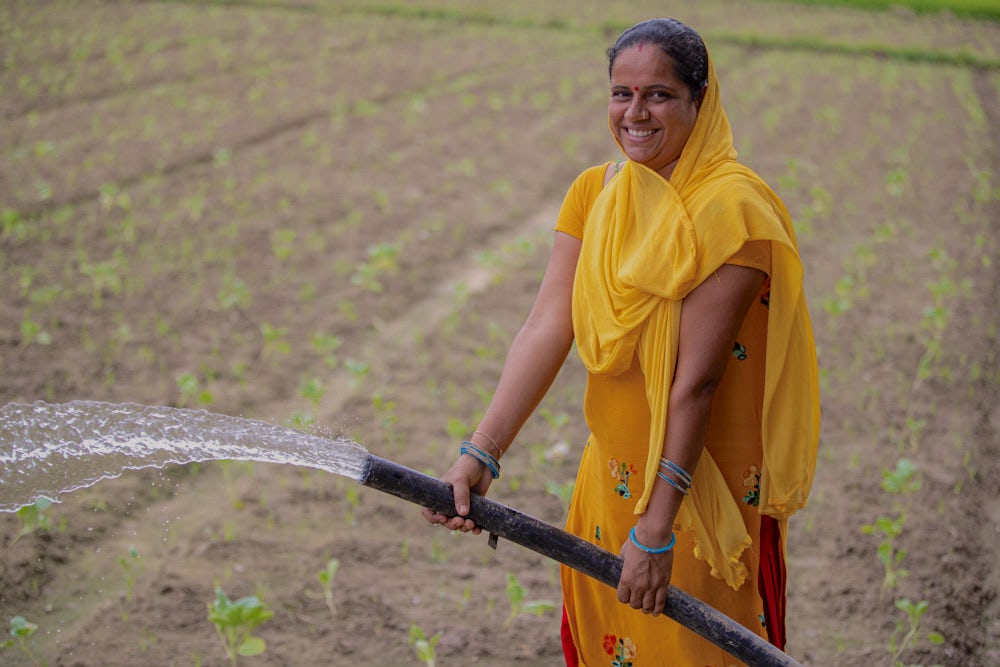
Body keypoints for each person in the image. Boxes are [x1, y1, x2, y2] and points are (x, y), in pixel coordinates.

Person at [422, 17, 819, 666]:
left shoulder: (732, 213)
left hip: (696, 498)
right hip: (611, 483)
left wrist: (657, 530)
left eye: (658, 94)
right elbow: (547, 327)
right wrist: (481, 453)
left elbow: (696, 382)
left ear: (700, 99)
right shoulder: (594, 194)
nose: (635, 112)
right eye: (621, 93)